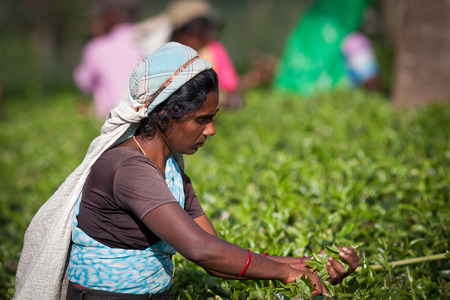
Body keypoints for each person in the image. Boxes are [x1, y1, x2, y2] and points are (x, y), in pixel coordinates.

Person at [14, 43, 359, 299]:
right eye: (201, 120)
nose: (210, 131)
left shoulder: (170, 168)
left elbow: (214, 249)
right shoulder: (127, 168)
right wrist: (286, 274)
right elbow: (200, 250)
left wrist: (309, 264)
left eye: (212, 118)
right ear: (164, 116)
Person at [134, 0, 243, 109]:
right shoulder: (156, 54)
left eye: (200, 33)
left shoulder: (212, 49)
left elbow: (230, 86)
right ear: (175, 32)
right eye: (190, 34)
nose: (194, 41)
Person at [73, 0, 144, 119]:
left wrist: (98, 39)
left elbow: (84, 84)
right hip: (142, 118)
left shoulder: (97, 48)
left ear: (110, 15)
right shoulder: (149, 42)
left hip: (108, 120)